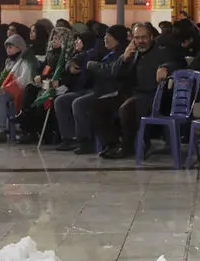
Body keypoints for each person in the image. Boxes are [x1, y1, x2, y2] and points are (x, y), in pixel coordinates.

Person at [92, 23, 179, 159]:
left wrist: (165, 68)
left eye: (144, 37)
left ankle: (127, 148)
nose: (140, 41)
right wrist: (123, 58)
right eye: (137, 38)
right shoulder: (132, 53)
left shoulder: (161, 51)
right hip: (130, 94)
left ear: (151, 37)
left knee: (127, 108)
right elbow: (115, 73)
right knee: (98, 105)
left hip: (151, 97)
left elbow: (176, 64)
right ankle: (112, 144)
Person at [56, 24, 128, 154]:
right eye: (105, 35)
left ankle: (86, 141)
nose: (105, 38)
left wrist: (92, 65)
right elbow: (82, 56)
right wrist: (71, 63)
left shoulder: (122, 54)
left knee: (79, 104)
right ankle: (69, 138)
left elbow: (111, 70)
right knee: (61, 101)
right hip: (95, 89)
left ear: (118, 39)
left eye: (109, 36)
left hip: (109, 92)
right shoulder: (103, 50)